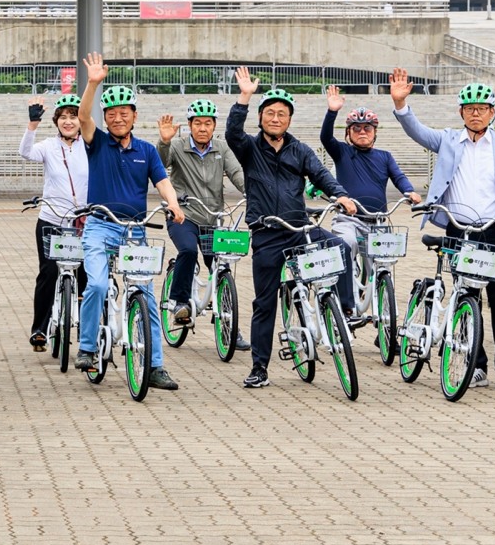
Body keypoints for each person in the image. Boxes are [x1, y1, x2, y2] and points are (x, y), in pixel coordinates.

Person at [391, 70, 495, 392]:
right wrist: (401, 105)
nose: (476, 113)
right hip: (459, 230)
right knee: (466, 296)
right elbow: (418, 132)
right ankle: (474, 365)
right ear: (461, 112)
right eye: (469, 108)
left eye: (482, 108)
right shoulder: (449, 139)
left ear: (492, 113)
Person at [225, 67, 357, 390]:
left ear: (289, 120)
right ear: (260, 119)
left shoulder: (300, 150)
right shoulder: (249, 149)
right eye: (269, 113)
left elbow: (321, 174)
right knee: (264, 303)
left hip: (299, 230)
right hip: (267, 233)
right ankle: (259, 367)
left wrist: (340, 194)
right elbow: (231, 133)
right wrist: (244, 98)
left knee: (340, 247)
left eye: (281, 114)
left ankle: (347, 310)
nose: (275, 118)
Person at [72, 55, 185, 389]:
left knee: (146, 296)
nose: (118, 118)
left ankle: (155, 366)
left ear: (134, 116)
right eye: (112, 114)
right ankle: (88, 347)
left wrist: (174, 205)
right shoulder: (98, 143)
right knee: (96, 285)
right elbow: (81, 116)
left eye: (124, 113)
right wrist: (93, 83)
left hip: (134, 231)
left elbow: (163, 183)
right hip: (99, 226)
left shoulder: (147, 150)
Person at [320, 86, 420, 322]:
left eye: (367, 128)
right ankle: (345, 307)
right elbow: (325, 137)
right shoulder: (342, 152)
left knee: (384, 263)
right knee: (347, 243)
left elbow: (399, 177)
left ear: (375, 132)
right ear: (349, 133)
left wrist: (410, 192)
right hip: (348, 219)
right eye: (356, 128)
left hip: (377, 222)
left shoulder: (384, 156)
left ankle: (386, 317)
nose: (362, 132)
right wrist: (331, 112)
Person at [156, 99, 249, 348]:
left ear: (214, 125)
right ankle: (180, 301)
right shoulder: (177, 146)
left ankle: (231, 329)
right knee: (187, 250)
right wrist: (164, 141)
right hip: (183, 216)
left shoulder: (221, 148)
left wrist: (251, 193)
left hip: (213, 217)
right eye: (197, 123)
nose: (202, 128)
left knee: (221, 267)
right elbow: (160, 162)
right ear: (189, 125)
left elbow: (237, 173)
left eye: (208, 123)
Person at [20, 94, 89, 351]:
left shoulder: (89, 145)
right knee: (48, 272)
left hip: (83, 221)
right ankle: (39, 329)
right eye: (63, 117)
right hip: (51, 219)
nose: (68, 122)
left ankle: (87, 327)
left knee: (85, 273)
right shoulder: (49, 145)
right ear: (56, 121)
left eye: (73, 116)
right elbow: (25, 152)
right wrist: (32, 125)